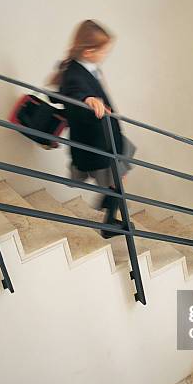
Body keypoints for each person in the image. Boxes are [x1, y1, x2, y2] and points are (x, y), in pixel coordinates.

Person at [48, 19, 136, 238]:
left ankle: (109, 218)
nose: (105, 55)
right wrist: (87, 99)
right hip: (97, 143)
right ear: (88, 51)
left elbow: (61, 90)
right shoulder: (75, 74)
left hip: (106, 137)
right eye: (104, 51)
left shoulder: (81, 66)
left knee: (120, 174)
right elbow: (74, 91)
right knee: (118, 177)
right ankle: (109, 224)